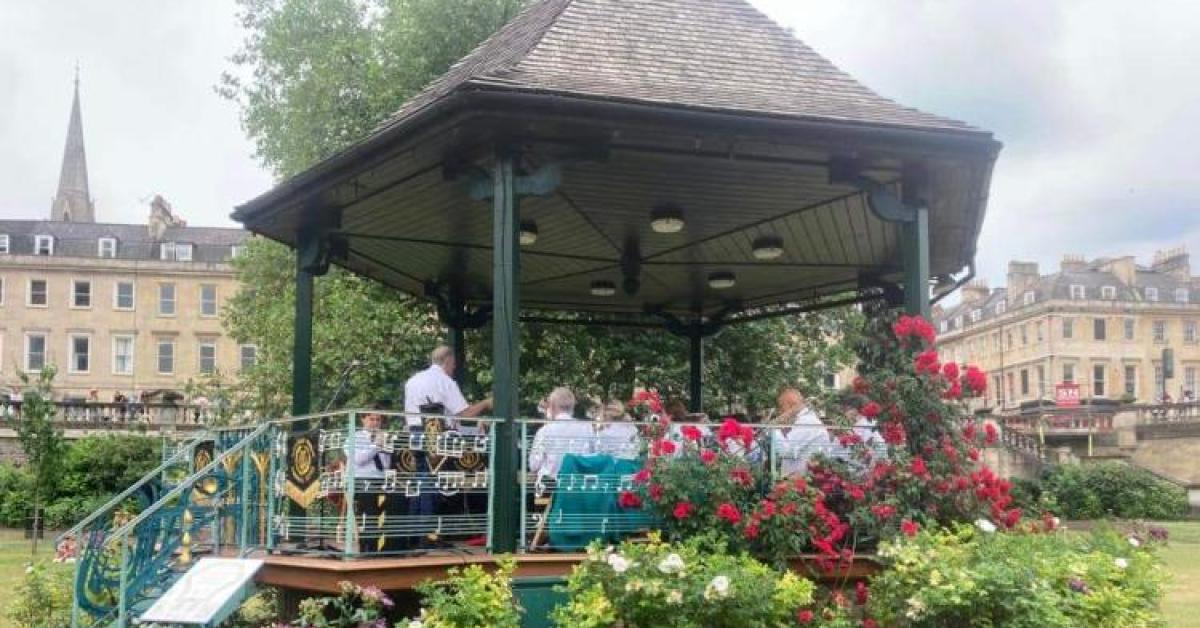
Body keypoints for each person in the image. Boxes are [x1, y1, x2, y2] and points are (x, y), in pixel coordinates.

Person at [348, 404, 400, 553]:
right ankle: (368, 547)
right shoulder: (354, 437)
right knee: (370, 511)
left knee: (397, 502)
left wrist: (386, 446)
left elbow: (386, 464)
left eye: (378, 420)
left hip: (381, 480)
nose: (375, 423)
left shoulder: (384, 437)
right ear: (363, 420)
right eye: (371, 419)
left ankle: (388, 547)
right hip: (362, 481)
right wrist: (376, 445)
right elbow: (359, 459)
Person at [403, 346, 492, 432]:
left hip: (414, 436)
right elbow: (465, 414)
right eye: (453, 364)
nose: (454, 367)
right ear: (448, 360)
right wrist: (486, 403)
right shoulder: (445, 381)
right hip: (440, 438)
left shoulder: (412, 381)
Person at [528, 387, 596, 480]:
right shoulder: (587, 428)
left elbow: (534, 465)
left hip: (551, 487)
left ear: (552, 406)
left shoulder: (544, 431)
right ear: (572, 407)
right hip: (578, 486)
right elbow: (593, 457)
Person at [771, 388, 830, 477]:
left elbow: (788, 451)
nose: (780, 412)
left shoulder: (807, 421)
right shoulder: (804, 420)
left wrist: (775, 429)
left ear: (790, 405)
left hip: (804, 482)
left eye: (781, 407)